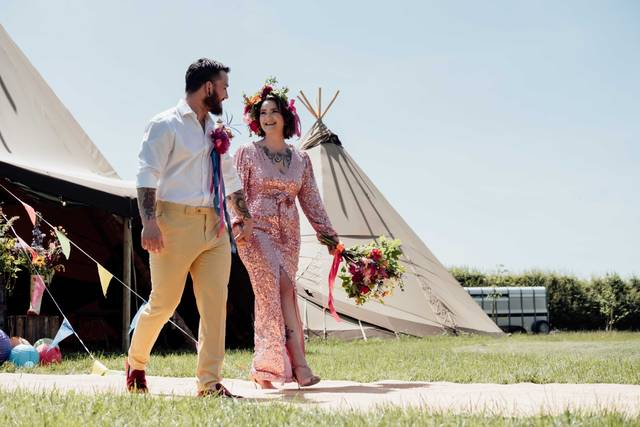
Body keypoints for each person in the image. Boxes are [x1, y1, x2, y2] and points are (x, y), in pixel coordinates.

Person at [126, 58, 253, 397]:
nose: (226, 96)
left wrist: (243, 216)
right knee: (164, 303)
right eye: (224, 88)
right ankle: (136, 362)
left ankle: (209, 383)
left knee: (215, 304)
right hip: (172, 224)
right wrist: (149, 222)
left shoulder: (215, 130)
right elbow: (146, 175)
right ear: (208, 88)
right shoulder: (164, 124)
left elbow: (229, 176)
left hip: (214, 226)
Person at [233, 80, 339, 389]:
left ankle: (291, 368)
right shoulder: (247, 153)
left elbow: (311, 200)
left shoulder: (301, 158)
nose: (268, 118)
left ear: (285, 117)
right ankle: (275, 367)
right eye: (263, 112)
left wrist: (328, 235)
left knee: (286, 293)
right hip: (255, 230)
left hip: (288, 233)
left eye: (274, 112)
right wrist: (240, 222)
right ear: (257, 118)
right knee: (274, 289)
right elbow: (235, 191)